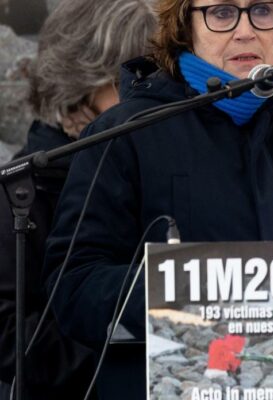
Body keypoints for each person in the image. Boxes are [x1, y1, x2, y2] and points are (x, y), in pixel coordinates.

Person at [43, 0, 273, 397]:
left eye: (262, 10)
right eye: (222, 13)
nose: (246, 30)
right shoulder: (125, 135)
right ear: (185, 26)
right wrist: (192, 296)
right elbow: (75, 286)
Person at [0, 0, 157, 397]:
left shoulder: (151, 166)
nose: (150, 100)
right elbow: (8, 331)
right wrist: (122, 371)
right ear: (80, 81)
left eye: (159, 81)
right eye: (129, 82)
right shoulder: (20, 193)